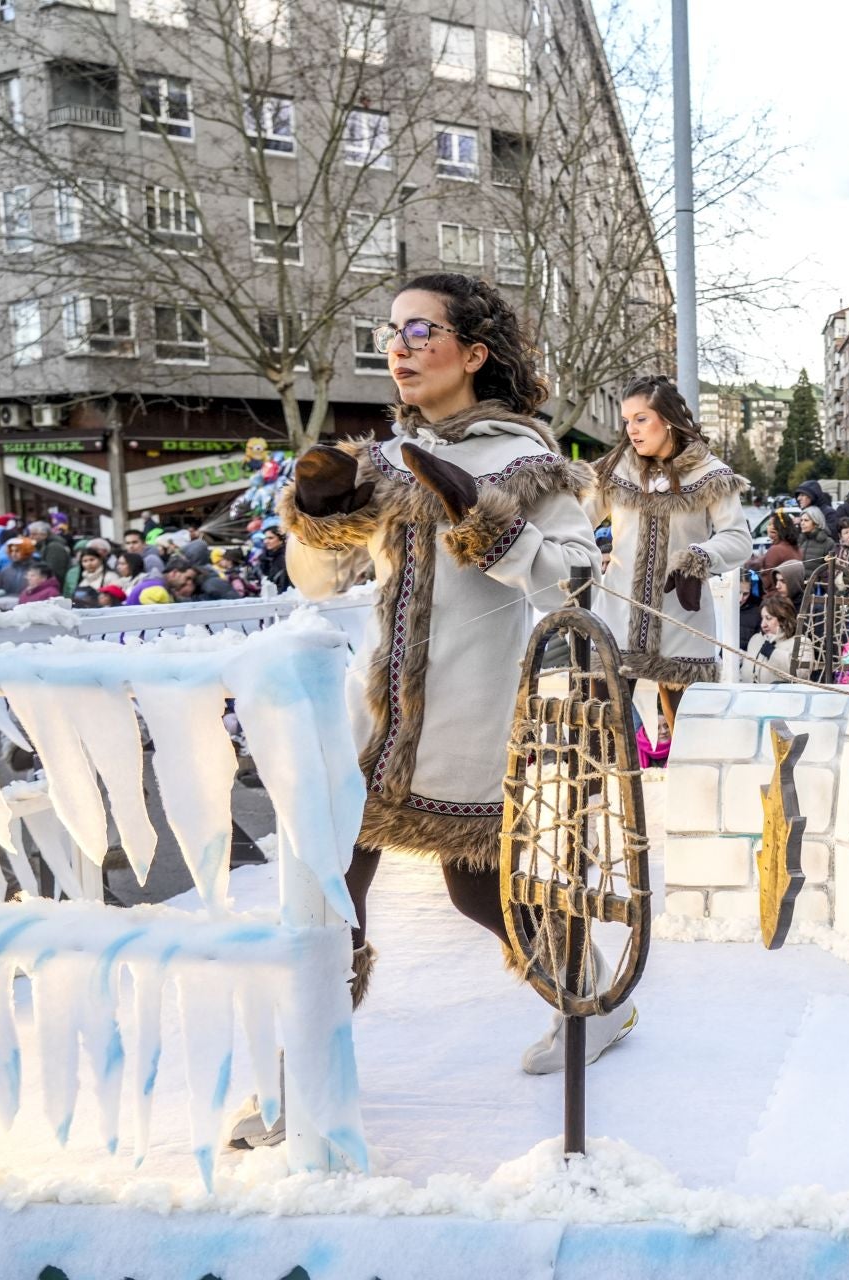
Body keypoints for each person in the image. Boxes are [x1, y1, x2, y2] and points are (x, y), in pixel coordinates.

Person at [271, 272, 609, 1107]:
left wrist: (484, 519)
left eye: (421, 331)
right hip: (368, 723)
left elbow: (573, 582)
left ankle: (593, 997)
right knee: (330, 888)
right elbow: (317, 581)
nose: (400, 348)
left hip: (468, 723)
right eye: (391, 332)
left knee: (479, 890)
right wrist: (316, 513)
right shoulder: (379, 461)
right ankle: (303, 1079)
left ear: (475, 352)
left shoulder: (528, 462)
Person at [587, 373, 751, 740]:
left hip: (683, 617)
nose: (631, 430)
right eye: (627, 421)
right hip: (617, 615)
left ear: (668, 420)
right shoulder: (615, 469)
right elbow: (577, 520)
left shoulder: (710, 473)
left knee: (690, 739)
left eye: (641, 419)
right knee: (599, 738)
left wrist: (698, 556)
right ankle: (604, 783)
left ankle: (690, 780)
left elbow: (738, 539)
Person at [749, 597, 813, 684]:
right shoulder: (756, 640)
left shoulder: (801, 642)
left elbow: (802, 674)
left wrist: (773, 653)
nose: (763, 625)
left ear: (783, 618)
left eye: (768, 618)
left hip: (783, 693)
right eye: (762, 618)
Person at [756, 510, 802, 593]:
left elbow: (767, 583)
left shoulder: (776, 550)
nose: (768, 527)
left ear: (776, 529)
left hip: (777, 597)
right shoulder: (796, 547)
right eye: (769, 524)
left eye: (770, 524)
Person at [164, 554, 239, 601]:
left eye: (179, 588)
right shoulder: (199, 588)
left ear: (188, 580)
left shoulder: (211, 585)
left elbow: (236, 604)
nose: (178, 593)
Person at [25, 520, 71, 586]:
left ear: (44, 535)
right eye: (30, 534)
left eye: (34, 534)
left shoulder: (54, 547)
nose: (30, 537)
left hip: (51, 587)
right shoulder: (41, 546)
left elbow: (54, 571)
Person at [795, 507, 835, 574]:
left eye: (806, 520)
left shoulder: (828, 542)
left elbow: (831, 569)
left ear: (816, 522)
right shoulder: (800, 540)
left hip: (817, 580)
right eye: (801, 520)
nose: (802, 523)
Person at [257, 527, 291, 592]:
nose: (266, 541)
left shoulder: (285, 558)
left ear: (281, 540)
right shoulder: (266, 556)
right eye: (265, 538)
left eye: (270, 538)